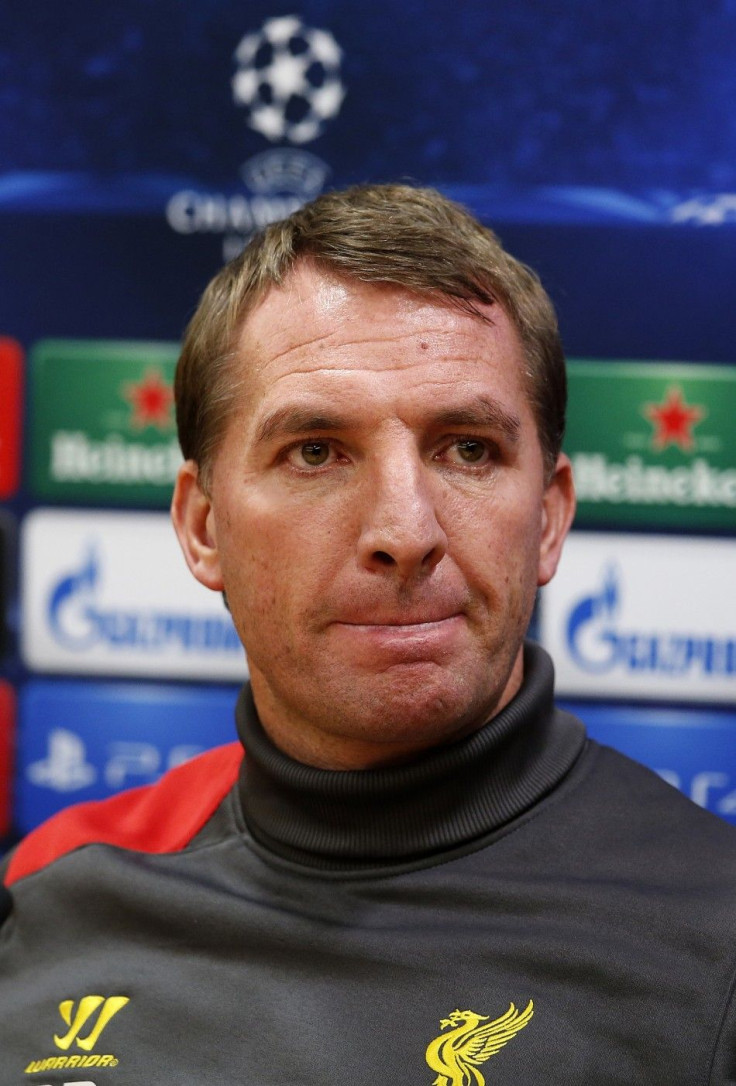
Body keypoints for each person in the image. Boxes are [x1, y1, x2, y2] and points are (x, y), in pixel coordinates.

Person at [2, 184, 736, 1085]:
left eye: (467, 448)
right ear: (202, 528)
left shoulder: (715, 936)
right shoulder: (53, 898)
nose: (406, 530)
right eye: (316, 451)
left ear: (548, 520)